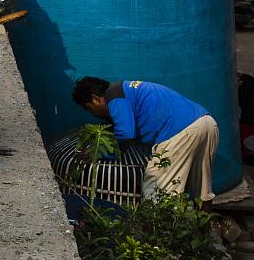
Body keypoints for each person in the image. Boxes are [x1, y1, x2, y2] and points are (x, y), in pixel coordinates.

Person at [71, 77, 219, 207]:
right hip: (206, 122)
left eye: (89, 108)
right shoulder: (127, 89)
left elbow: (125, 135)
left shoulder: (113, 96)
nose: (93, 114)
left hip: (181, 132)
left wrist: (100, 154)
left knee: (157, 192)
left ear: (95, 98)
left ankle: (160, 238)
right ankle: (204, 235)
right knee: (202, 191)